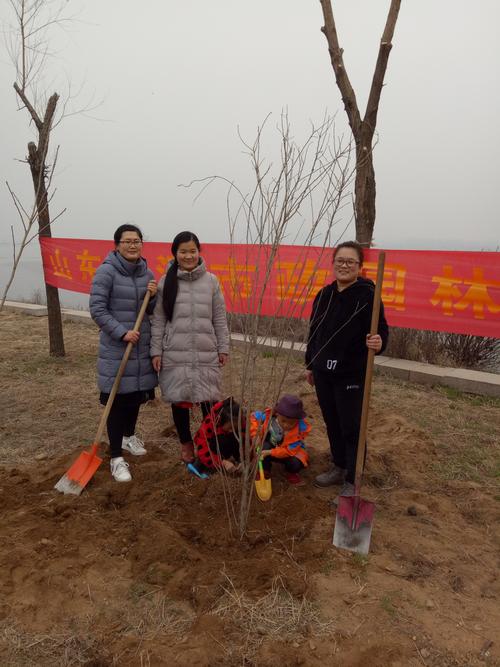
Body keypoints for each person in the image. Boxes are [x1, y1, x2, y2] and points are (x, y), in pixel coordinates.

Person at [305, 240, 389, 501]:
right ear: (333, 264)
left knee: (351, 426)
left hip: (351, 372)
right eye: (340, 260)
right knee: (331, 421)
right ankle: (339, 466)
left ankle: (353, 479)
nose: (344, 265)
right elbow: (314, 332)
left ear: (359, 267)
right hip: (323, 372)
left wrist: (378, 342)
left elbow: (381, 331)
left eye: (350, 261)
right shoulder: (324, 295)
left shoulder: (368, 296)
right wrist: (311, 363)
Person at [150, 231, 230, 463]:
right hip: (175, 350)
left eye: (192, 251)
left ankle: (209, 443)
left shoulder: (212, 281)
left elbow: (219, 318)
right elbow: (159, 320)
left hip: (206, 350)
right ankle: (186, 443)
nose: (188, 256)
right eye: (183, 251)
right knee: (180, 400)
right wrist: (156, 351)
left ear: (199, 252)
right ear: (175, 253)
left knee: (209, 402)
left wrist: (222, 348)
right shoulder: (167, 281)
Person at [89, 224, 158, 483]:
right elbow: (97, 309)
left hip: (140, 348)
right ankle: (116, 457)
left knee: (135, 396)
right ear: (117, 244)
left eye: (137, 241)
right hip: (118, 348)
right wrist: (121, 332)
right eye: (127, 241)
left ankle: (129, 438)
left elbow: (149, 309)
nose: (133, 245)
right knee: (117, 402)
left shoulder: (146, 272)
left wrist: (152, 297)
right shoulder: (106, 272)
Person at [251, 394, 311, 486]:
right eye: (283, 421)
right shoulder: (270, 417)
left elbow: (289, 451)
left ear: (297, 420)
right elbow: (253, 416)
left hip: (288, 454)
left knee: (295, 463)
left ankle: (291, 473)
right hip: (271, 446)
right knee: (262, 448)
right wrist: (256, 435)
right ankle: (265, 470)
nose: (286, 425)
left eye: (291, 423)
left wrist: (270, 452)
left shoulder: (299, 431)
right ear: (277, 414)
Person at [193, 397, 243, 473]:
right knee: (220, 441)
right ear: (220, 420)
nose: (232, 431)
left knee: (237, 436)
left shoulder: (240, 419)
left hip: (227, 444)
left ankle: (235, 459)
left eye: (235, 427)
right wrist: (222, 462)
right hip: (213, 446)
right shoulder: (210, 423)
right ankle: (208, 464)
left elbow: (246, 440)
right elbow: (203, 448)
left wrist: (243, 459)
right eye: (230, 427)